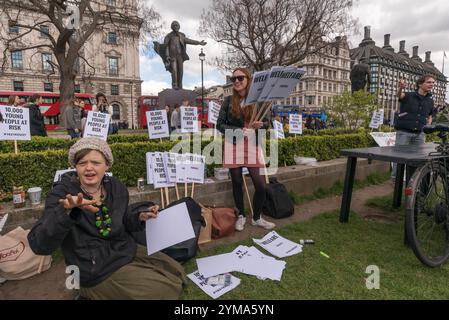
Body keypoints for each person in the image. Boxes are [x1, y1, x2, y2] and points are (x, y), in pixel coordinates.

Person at [27, 138, 187, 299]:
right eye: (82, 163)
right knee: (165, 289)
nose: (89, 168)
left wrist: (140, 216)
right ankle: (86, 292)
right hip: (91, 267)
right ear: (75, 166)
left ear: (107, 165)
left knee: (177, 272)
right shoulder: (62, 194)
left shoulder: (116, 187)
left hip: (121, 248)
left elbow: (122, 219)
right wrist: (65, 211)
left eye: (96, 163)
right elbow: (40, 244)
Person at [216, 67, 276, 231]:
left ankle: (256, 217)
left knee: (261, 185)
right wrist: (237, 131)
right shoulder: (228, 101)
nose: (236, 81)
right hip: (233, 143)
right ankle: (241, 215)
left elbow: (268, 124)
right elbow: (219, 125)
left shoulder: (258, 101)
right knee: (236, 182)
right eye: (233, 79)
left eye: (240, 78)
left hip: (252, 144)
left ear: (248, 80)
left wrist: (260, 125)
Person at [392, 74, 435, 181]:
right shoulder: (409, 95)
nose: (432, 85)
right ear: (420, 84)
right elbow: (399, 95)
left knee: (418, 158)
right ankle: (395, 179)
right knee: (400, 156)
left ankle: (413, 181)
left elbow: (430, 115)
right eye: (429, 82)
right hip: (404, 132)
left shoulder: (430, 100)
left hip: (420, 134)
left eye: (433, 83)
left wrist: (428, 123)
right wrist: (401, 87)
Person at [155, 21, 207, 89]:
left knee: (180, 71)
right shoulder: (168, 36)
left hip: (180, 56)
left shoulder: (181, 35)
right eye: (174, 25)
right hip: (172, 56)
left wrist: (199, 42)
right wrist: (167, 56)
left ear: (179, 27)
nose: (175, 26)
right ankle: (174, 85)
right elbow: (166, 47)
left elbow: (189, 41)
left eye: (176, 25)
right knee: (174, 71)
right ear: (172, 27)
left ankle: (180, 85)